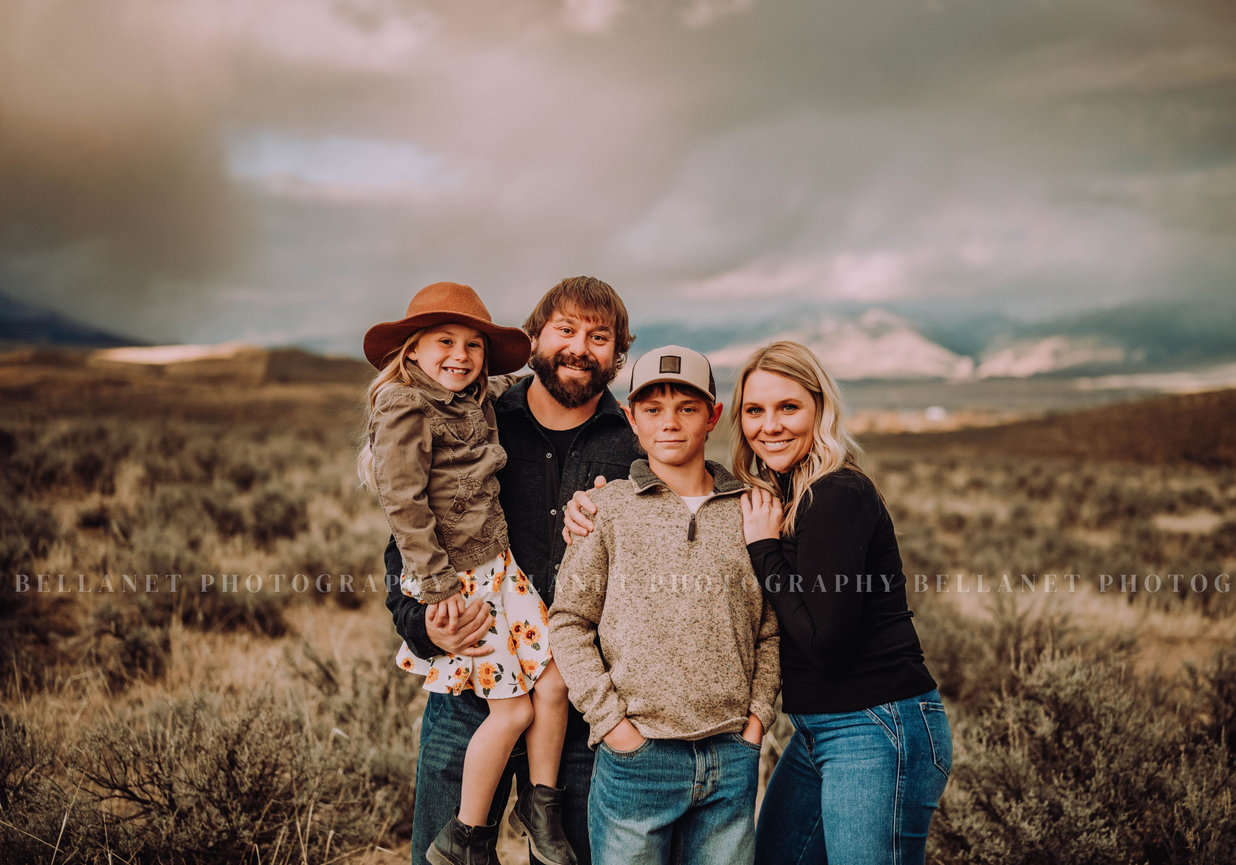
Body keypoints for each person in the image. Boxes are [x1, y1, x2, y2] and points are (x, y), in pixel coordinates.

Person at [383, 277, 641, 865]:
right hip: (471, 686)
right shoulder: (475, 417)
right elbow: (405, 541)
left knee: (566, 856)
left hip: (579, 706)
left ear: (617, 356)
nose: (581, 347)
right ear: (532, 340)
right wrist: (425, 628)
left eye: (599, 337)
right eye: (566, 330)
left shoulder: (634, 443)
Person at [360, 281, 578, 865]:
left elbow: (506, 382)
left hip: (500, 569)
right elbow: (404, 506)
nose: (460, 355)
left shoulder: (475, 394)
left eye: (473, 345)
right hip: (457, 581)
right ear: (411, 349)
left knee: (556, 674)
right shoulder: (405, 405)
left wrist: (539, 358)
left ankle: (540, 805)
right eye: (444, 342)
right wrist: (435, 591)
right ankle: (467, 837)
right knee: (516, 709)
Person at [549, 345, 780, 865]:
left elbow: (768, 627)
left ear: (714, 416)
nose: (669, 423)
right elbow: (568, 623)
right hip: (637, 758)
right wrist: (612, 725)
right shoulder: (604, 511)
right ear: (631, 417)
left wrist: (758, 719)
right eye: (652, 409)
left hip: (731, 755)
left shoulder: (751, 511)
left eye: (687, 407)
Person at [734, 340, 952, 865]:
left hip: (877, 725)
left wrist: (763, 549)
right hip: (819, 731)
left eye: (789, 407)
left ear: (819, 408)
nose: (771, 425)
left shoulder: (835, 494)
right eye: (755, 410)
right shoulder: (783, 495)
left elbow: (824, 642)